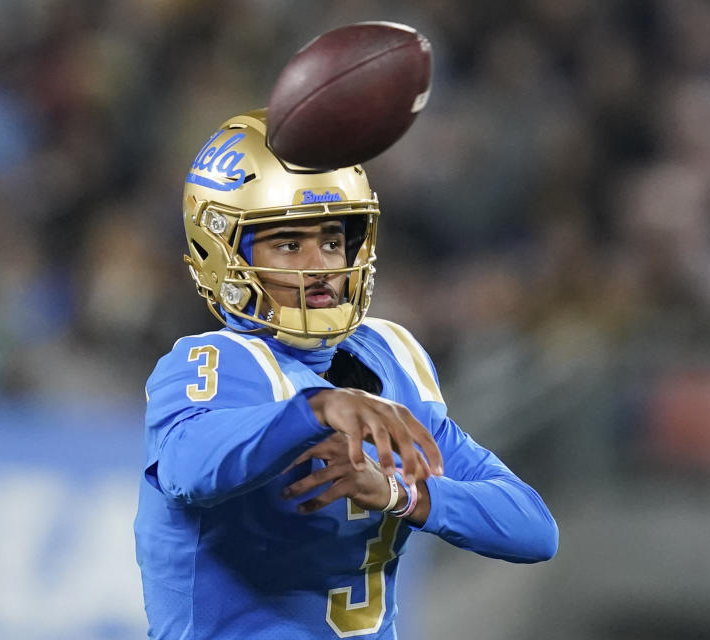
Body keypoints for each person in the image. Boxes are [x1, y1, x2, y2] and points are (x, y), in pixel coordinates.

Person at [134, 109, 558, 639]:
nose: (323, 266)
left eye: (332, 240)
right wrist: (315, 411)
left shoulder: (393, 355)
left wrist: (401, 494)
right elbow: (187, 465)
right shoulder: (215, 362)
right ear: (222, 251)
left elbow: (534, 530)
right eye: (290, 244)